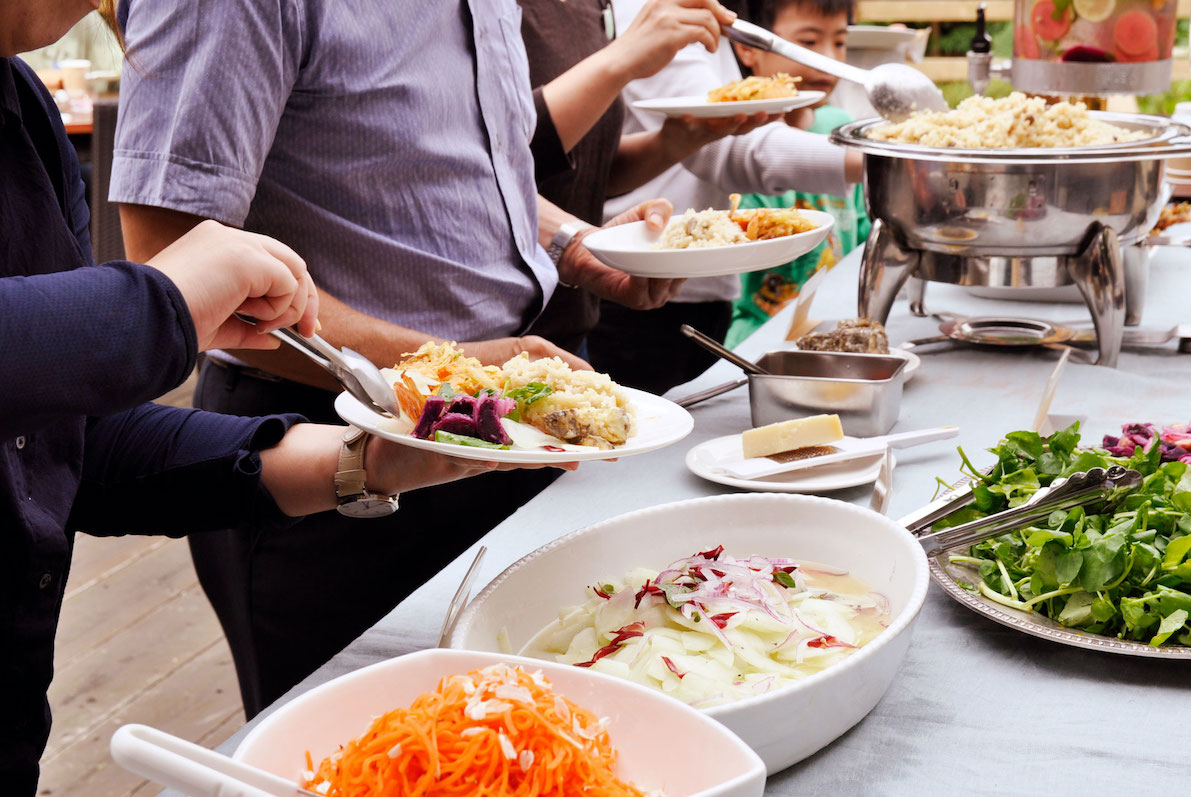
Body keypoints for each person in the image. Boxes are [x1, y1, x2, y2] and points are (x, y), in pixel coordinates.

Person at [0, 4, 569, 792]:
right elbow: (155, 263)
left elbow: (73, 441)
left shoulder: (22, 110)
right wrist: (158, 301)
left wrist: (363, 461)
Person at [110, 0, 683, 717]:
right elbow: (171, 256)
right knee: (367, 750)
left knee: (519, 736)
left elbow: (463, 171)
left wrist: (573, 242)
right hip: (328, 445)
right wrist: (454, 368)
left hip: (498, 427)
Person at [590, 0, 865, 395]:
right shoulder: (654, 8)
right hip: (640, 290)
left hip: (704, 288)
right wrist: (888, 160)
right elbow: (721, 144)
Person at [522, 0, 776, 354]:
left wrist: (670, 144)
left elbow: (581, 168)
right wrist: (620, 59)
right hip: (493, 330)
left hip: (572, 319)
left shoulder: (590, 7)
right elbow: (490, 163)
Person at [724, 0, 871, 348]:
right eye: (808, 42)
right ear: (749, 48)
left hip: (834, 331)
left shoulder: (838, 128)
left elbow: (863, 233)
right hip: (756, 341)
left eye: (839, 41)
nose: (828, 58)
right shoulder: (732, 149)